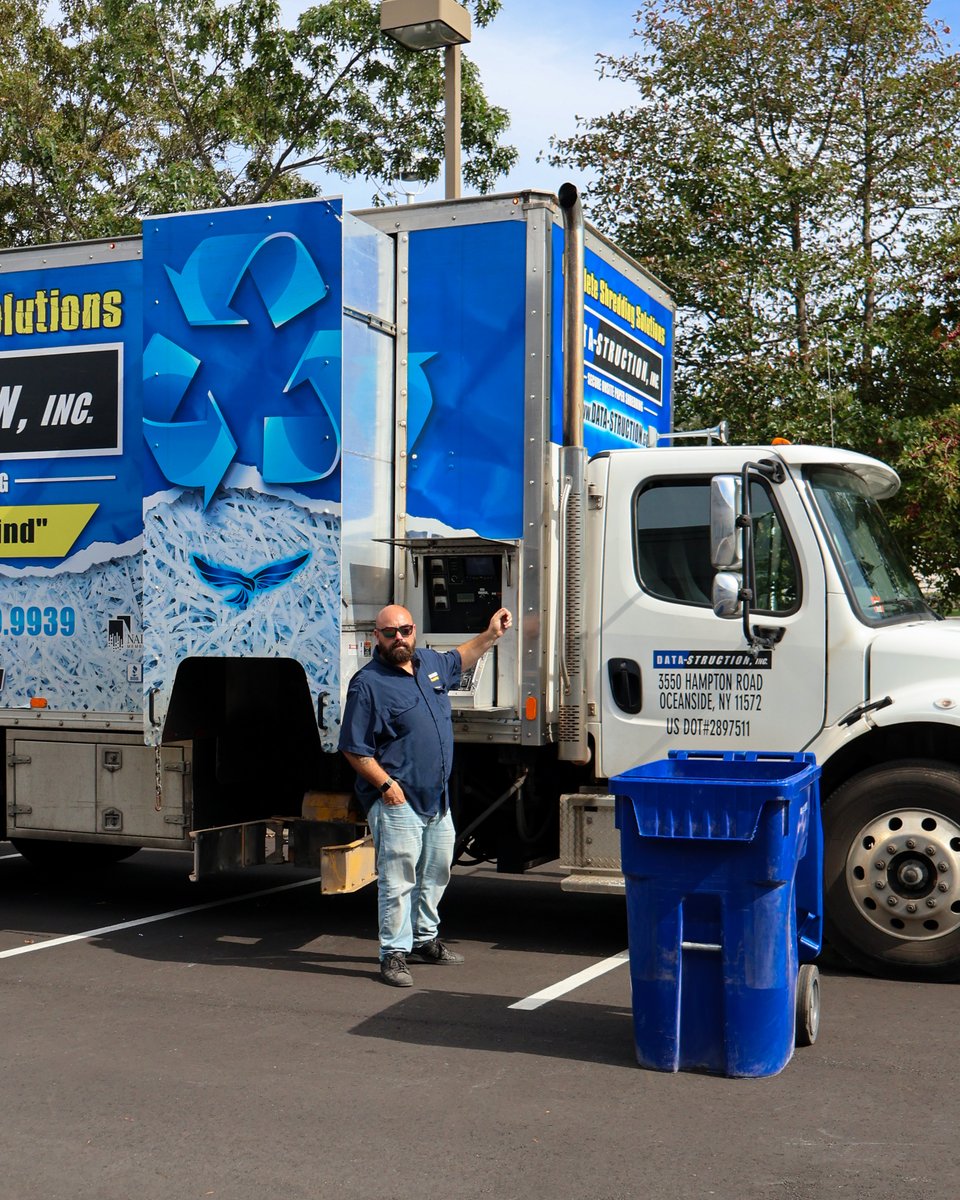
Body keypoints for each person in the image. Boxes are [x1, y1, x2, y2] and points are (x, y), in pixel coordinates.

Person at [339, 602, 512, 987]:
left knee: (435, 872)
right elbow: (353, 747)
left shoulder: (429, 664)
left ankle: (425, 939)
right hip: (397, 800)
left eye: (405, 629)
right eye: (389, 632)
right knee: (398, 879)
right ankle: (393, 954)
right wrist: (387, 787)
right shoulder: (368, 685)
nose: (398, 637)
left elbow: (459, 659)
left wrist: (490, 635)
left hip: (437, 800)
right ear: (376, 638)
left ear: (414, 631)